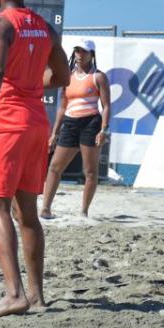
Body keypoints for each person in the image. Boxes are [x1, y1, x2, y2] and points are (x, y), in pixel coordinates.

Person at [0, 0, 70, 317]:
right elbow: (62, 76)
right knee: (27, 212)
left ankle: (14, 293)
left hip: (6, 122)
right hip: (35, 122)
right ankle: (37, 296)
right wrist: (30, 85)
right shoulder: (44, 27)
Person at [41, 40, 111, 217]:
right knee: (55, 167)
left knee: (90, 170)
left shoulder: (99, 77)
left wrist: (103, 130)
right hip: (70, 123)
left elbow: (106, 106)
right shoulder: (68, 77)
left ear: (91, 54)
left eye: (84, 51)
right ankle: (46, 209)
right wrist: (54, 133)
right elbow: (62, 107)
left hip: (91, 123)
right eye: (77, 51)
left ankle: (84, 211)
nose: (79, 55)